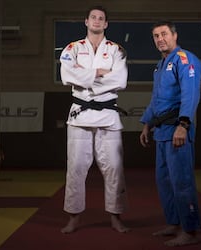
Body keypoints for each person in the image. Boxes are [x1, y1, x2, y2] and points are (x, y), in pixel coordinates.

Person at [59, 5, 129, 233]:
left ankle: (115, 216)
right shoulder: (73, 48)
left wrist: (85, 76)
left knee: (114, 168)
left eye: (101, 18)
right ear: (86, 21)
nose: (97, 21)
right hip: (79, 116)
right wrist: (99, 73)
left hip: (108, 116)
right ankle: (73, 217)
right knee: (76, 167)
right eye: (93, 17)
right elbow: (66, 74)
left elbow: (120, 80)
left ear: (106, 24)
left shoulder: (117, 50)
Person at [139, 20, 201, 246]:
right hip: (161, 132)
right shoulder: (160, 65)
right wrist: (147, 124)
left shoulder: (185, 60)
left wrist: (183, 125)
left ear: (174, 35)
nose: (160, 39)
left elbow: (191, 94)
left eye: (164, 34)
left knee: (182, 182)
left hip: (177, 129)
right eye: (156, 35)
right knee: (164, 181)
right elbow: (156, 99)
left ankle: (190, 230)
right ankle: (174, 223)